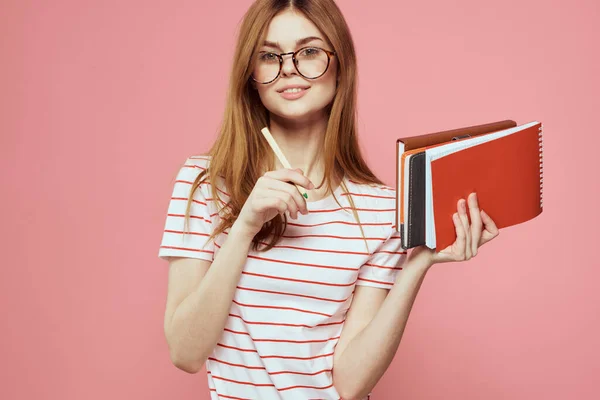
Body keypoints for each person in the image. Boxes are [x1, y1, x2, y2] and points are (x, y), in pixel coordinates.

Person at [158, 0, 499, 399]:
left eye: (309, 51)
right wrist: (245, 226)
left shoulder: (382, 210)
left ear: (340, 65)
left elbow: (350, 384)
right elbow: (185, 352)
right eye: (269, 55)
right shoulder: (206, 183)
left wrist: (418, 263)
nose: (289, 68)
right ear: (251, 75)